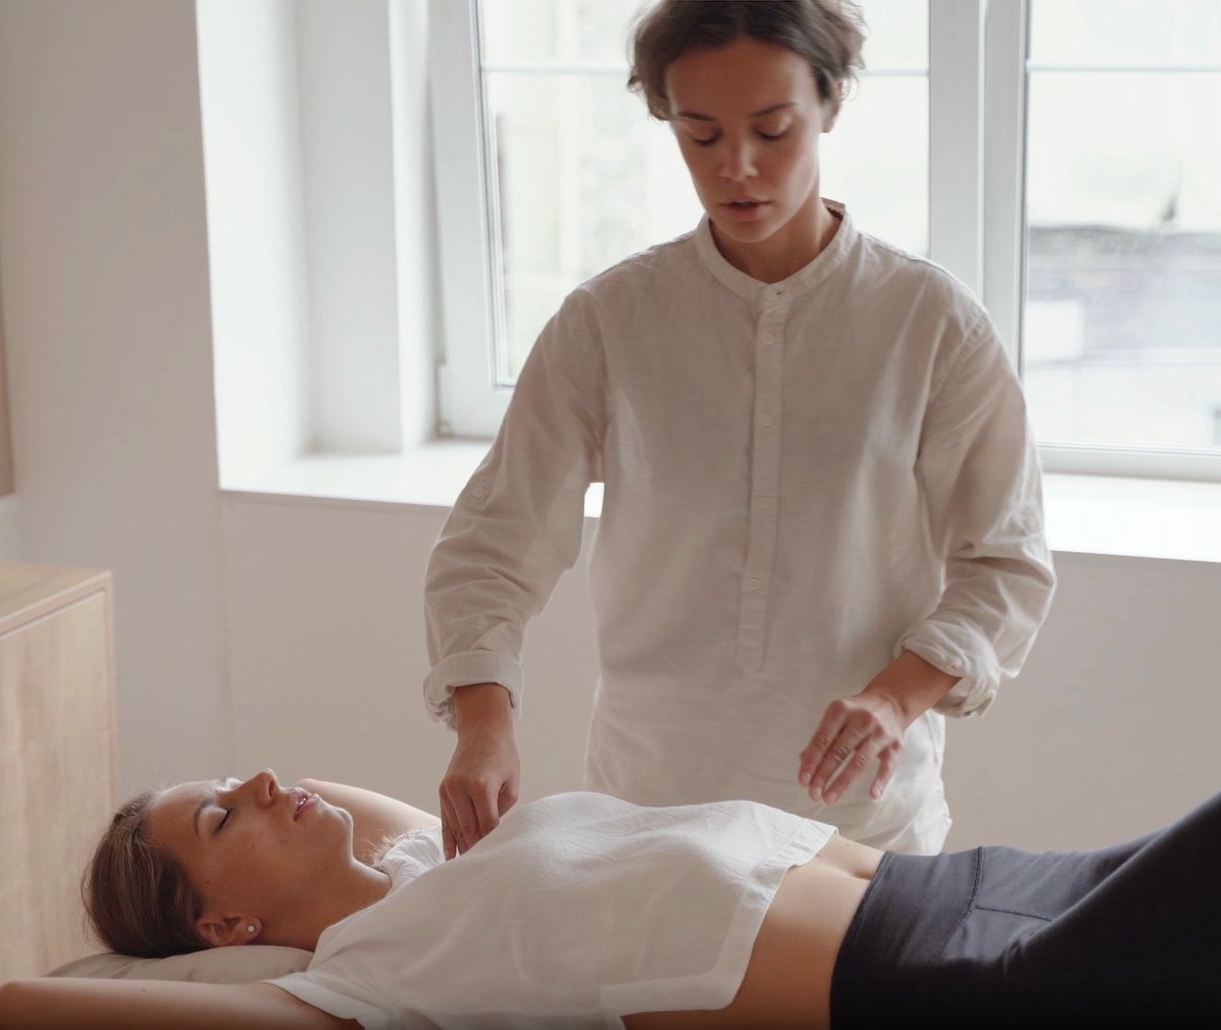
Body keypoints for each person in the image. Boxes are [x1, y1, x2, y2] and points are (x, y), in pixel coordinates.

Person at [0, 659, 1221, 1028]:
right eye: (220, 814)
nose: (266, 780)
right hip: (999, 989)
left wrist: (275, 806)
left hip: (1004, 888)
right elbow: (7, 1007)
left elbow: (363, 805)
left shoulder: (423, 873)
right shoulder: (364, 977)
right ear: (217, 930)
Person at [425, 0, 1057, 860]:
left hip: (861, 829)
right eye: (702, 135)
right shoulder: (609, 322)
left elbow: (1006, 563)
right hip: (646, 815)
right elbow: (493, 543)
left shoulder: (931, 322)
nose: (738, 168)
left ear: (830, 103)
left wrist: (896, 696)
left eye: (772, 129)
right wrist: (483, 725)